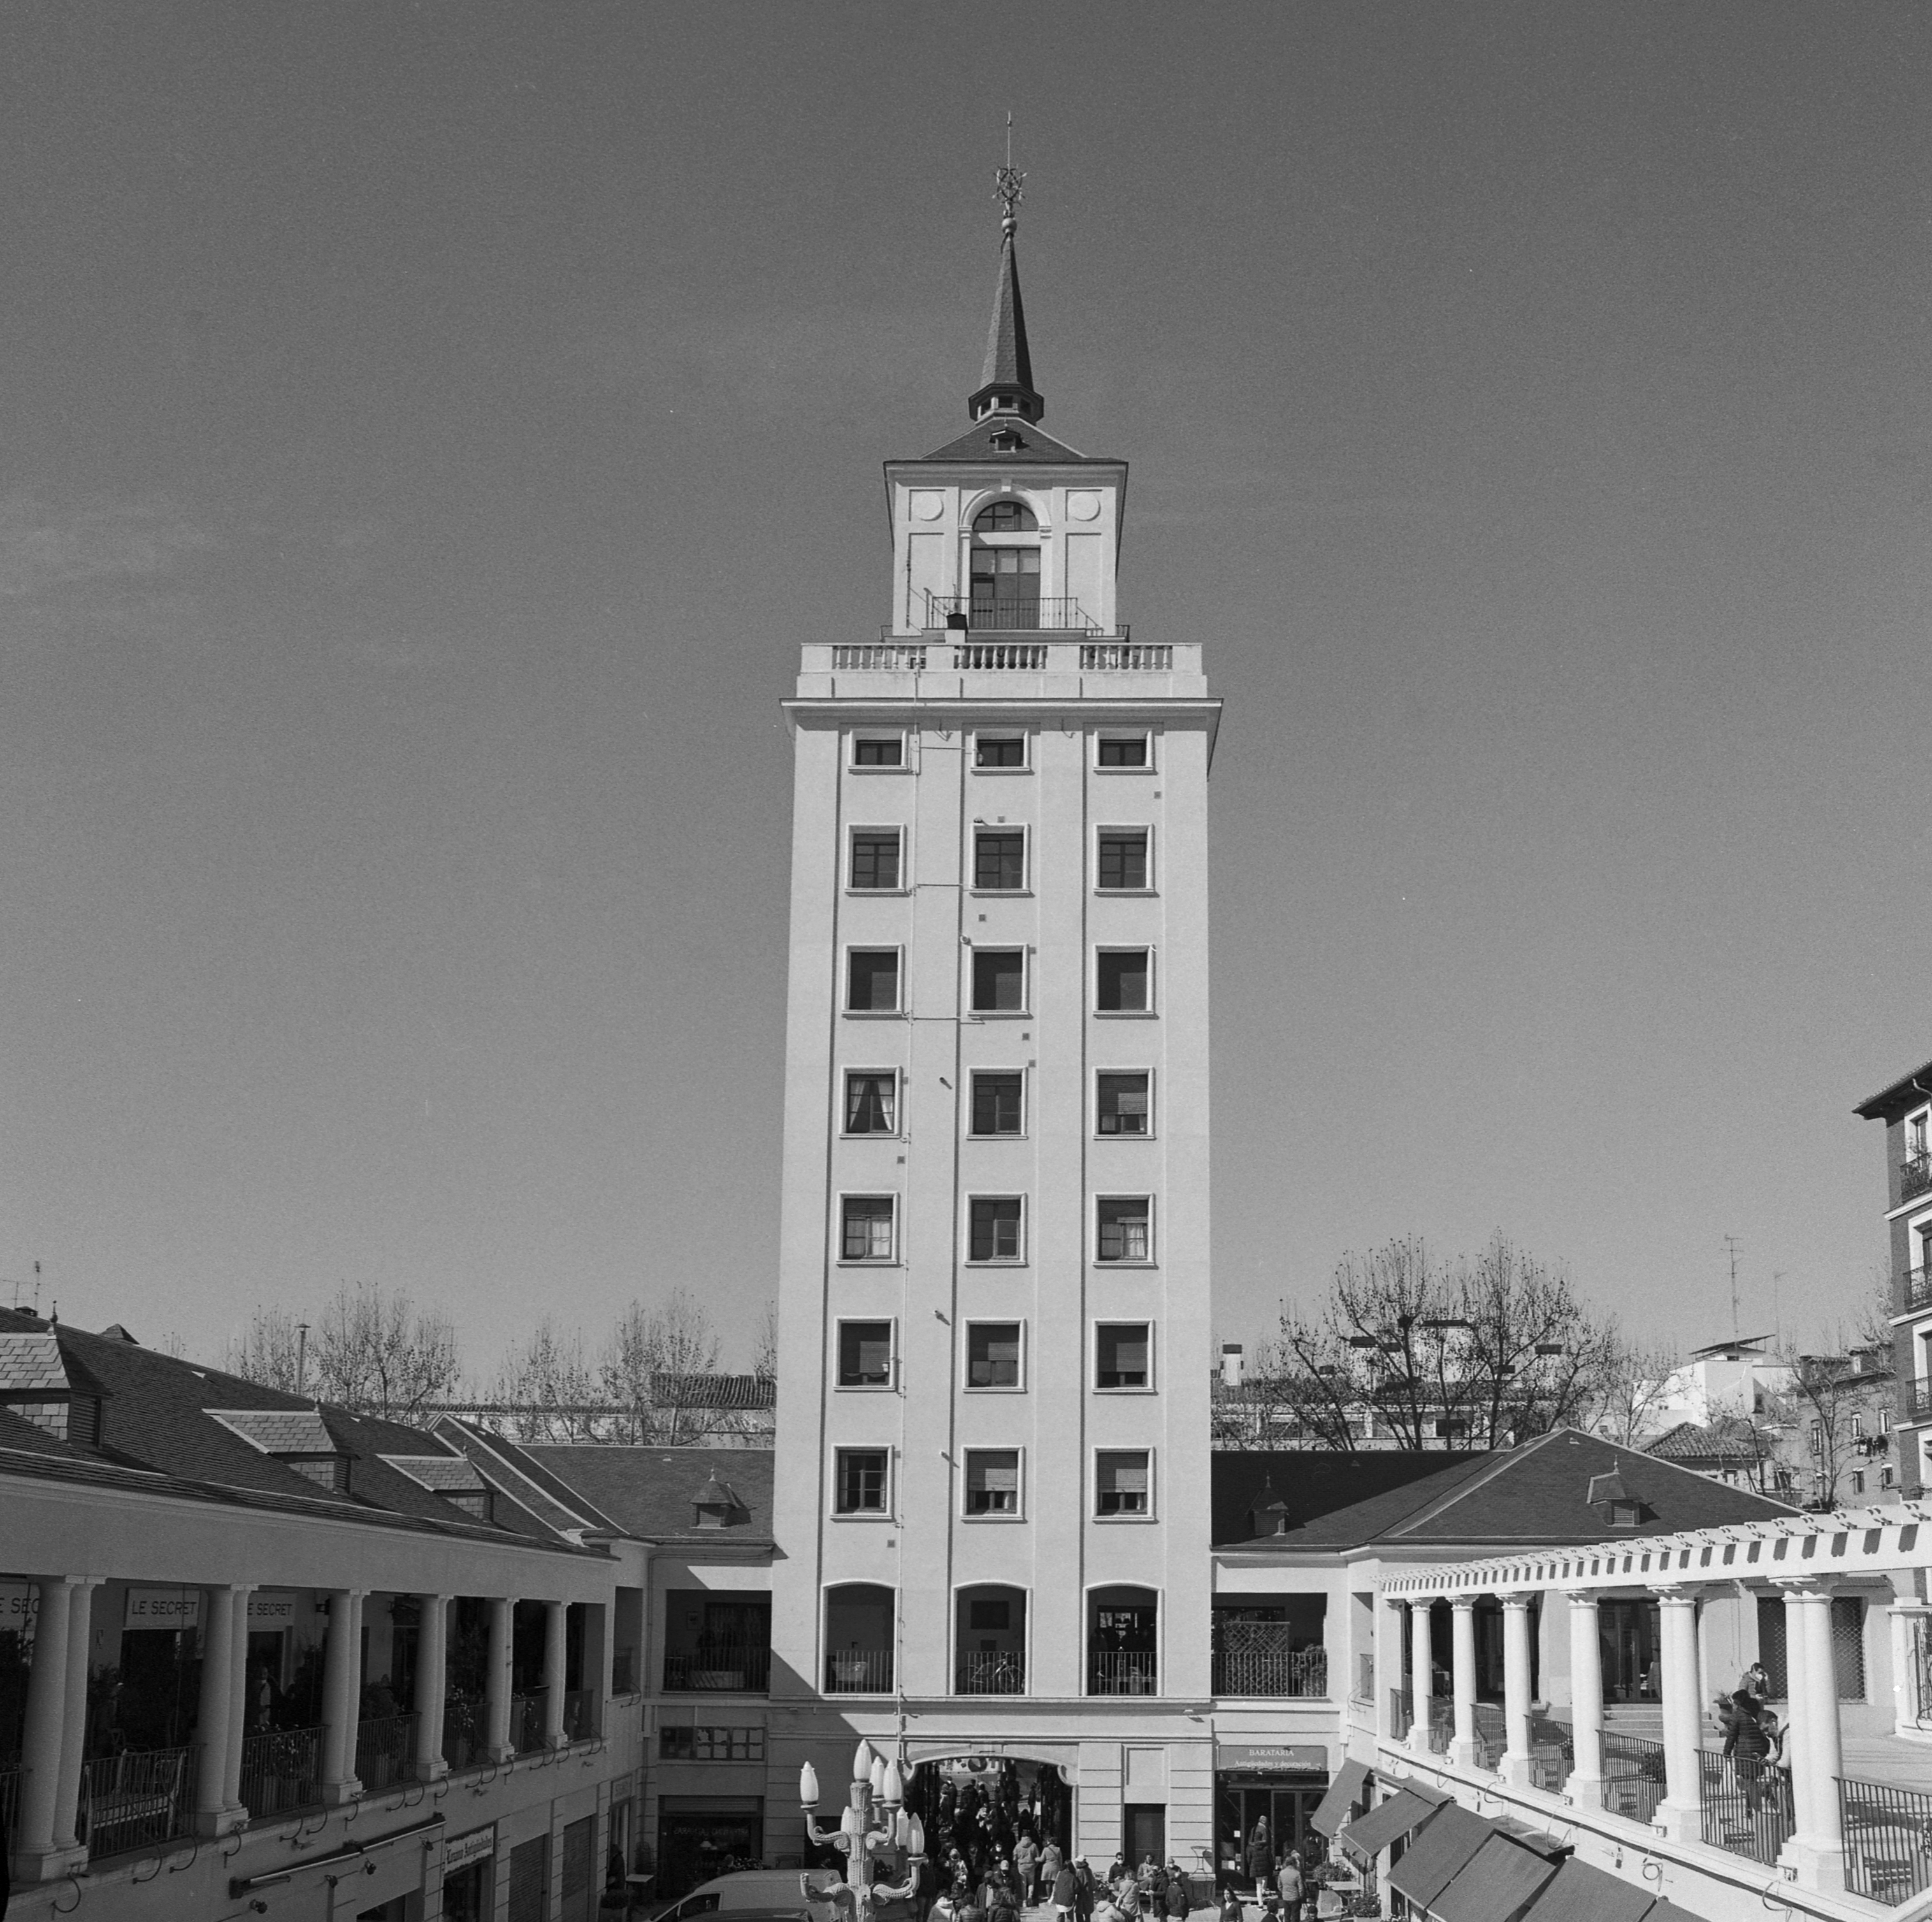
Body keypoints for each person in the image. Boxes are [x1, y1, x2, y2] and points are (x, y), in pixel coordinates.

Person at [1244, 1820, 1273, 1897]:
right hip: (1264, 1867)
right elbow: (1269, 1857)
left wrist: (1251, 1865)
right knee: (1265, 1877)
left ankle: (1260, 1902)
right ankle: (1264, 1890)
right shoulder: (1265, 1847)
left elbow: (1249, 1858)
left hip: (1255, 1867)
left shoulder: (1251, 1847)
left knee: (1258, 1886)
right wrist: (1272, 1866)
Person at [1274, 1854, 1302, 1922]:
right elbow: (1300, 1887)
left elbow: (1279, 1886)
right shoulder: (1297, 1873)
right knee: (1295, 1915)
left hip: (1286, 1897)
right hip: (1295, 1896)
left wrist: (1283, 1892)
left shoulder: (1282, 1873)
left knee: (1287, 1915)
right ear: (1294, 1863)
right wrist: (1300, 1895)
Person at [1015, 1833, 1039, 1903]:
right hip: (1031, 1866)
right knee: (1031, 1883)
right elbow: (1037, 1856)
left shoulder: (1018, 1846)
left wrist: (1017, 1863)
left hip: (1022, 1867)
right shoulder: (1034, 1846)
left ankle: (1024, 1900)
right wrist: (1035, 1865)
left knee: (1023, 1884)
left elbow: (1014, 1857)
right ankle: (1030, 1898)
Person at [1052, 1857, 1079, 1922]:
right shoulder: (1072, 1876)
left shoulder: (1060, 1874)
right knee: (1070, 1916)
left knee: (1060, 1915)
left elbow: (1056, 1885)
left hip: (1059, 1898)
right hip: (1069, 1899)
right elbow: (1076, 1888)